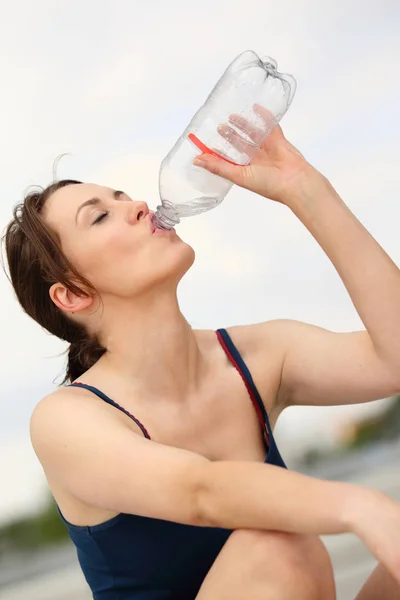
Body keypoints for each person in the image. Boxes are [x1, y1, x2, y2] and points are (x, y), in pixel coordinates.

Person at [4, 108, 400, 600]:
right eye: (101, 216)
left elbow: (395, 359)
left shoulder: (257, 355)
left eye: (123, 196)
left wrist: (304, 187)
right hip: (281, 554)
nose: (139, 205)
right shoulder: (67, 421)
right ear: (73, 295)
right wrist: (364, 507)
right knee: (280, 543)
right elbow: (201, 491)